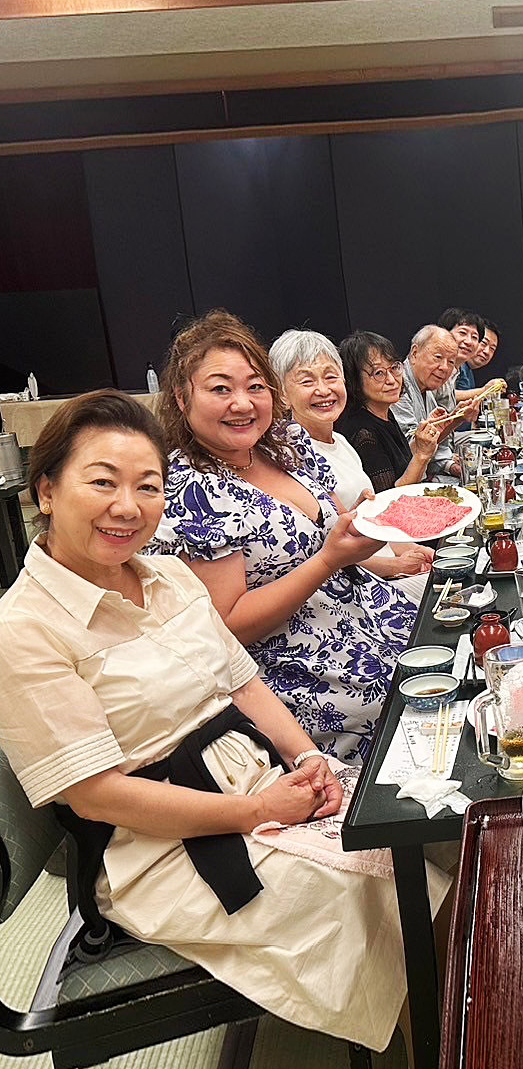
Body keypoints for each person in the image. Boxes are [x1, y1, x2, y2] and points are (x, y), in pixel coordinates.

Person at [0, 390, 447, 1052]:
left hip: (260, 776)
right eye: (102, 482)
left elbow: (244, 683)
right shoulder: (24, 627)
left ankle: (464, 1040)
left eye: (147, 486)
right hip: (159, 843)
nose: (128, 506)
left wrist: (308, 759)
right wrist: (253, 813)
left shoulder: (167, 578)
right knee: (384, 897)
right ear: (46, 490)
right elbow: (94, 795)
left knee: (426, 830)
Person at [157, 311, 417, 762]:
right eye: (221, 388)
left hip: (376, 616)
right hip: (312, 674)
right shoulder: (193, 489)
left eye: (255, 386)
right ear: (182, 399)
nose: (242, 403)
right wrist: (328, 561)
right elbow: (228, 625)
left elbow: (332, 527)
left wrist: (361, 525)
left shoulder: (284, 442)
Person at [268, 328, 433, 596]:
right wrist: (397, 565)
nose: (323, 390)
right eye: (307, 381)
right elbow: (335, 553)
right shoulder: (296, 456)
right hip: (362, 586)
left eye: (331, 377)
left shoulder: (341, 442)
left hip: (386, 564)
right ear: (282, 393)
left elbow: (370, 524)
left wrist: (412, 549)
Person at [337, 330, 449, 493]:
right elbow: (389, 497)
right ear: (355, 380)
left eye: (394, 368)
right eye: (379, 373)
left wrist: (422, 440)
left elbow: (401, 462)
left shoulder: (384, 412)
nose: (391, 380)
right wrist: (422, 455)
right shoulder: (363, 432)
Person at [392, 324, 462, 475]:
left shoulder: (427, 389)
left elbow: (433, 449)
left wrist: (451, 466)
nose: (444, 367)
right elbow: (409, 451)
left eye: (451, 362)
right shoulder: (397, 385)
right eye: (438, 357)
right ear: (415, 353)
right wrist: (455, 421)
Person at [438, 307, 486, 392]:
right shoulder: (433, 364)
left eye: (474, 337)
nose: (469, 341)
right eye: (462, 333)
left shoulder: (457, 370)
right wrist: (484, 390)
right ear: (444, 332)